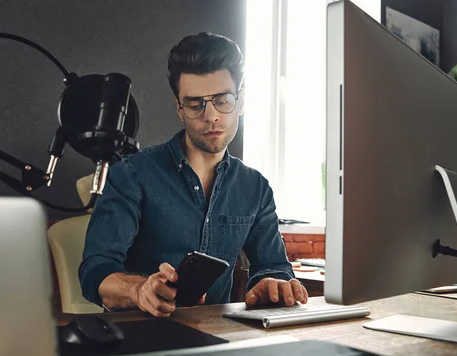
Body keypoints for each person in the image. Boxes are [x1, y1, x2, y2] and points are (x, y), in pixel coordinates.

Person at [79, 32, 308, 317]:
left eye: (223, 100)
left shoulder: (255, 188)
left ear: (241, 101)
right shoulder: (131, 175)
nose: (210, 115)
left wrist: (271, 283)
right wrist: (139, 290)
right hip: (140, 339)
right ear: (179, 108)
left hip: (217, 341)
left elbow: (273, 266)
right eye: (195, 103)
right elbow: (96, 271)